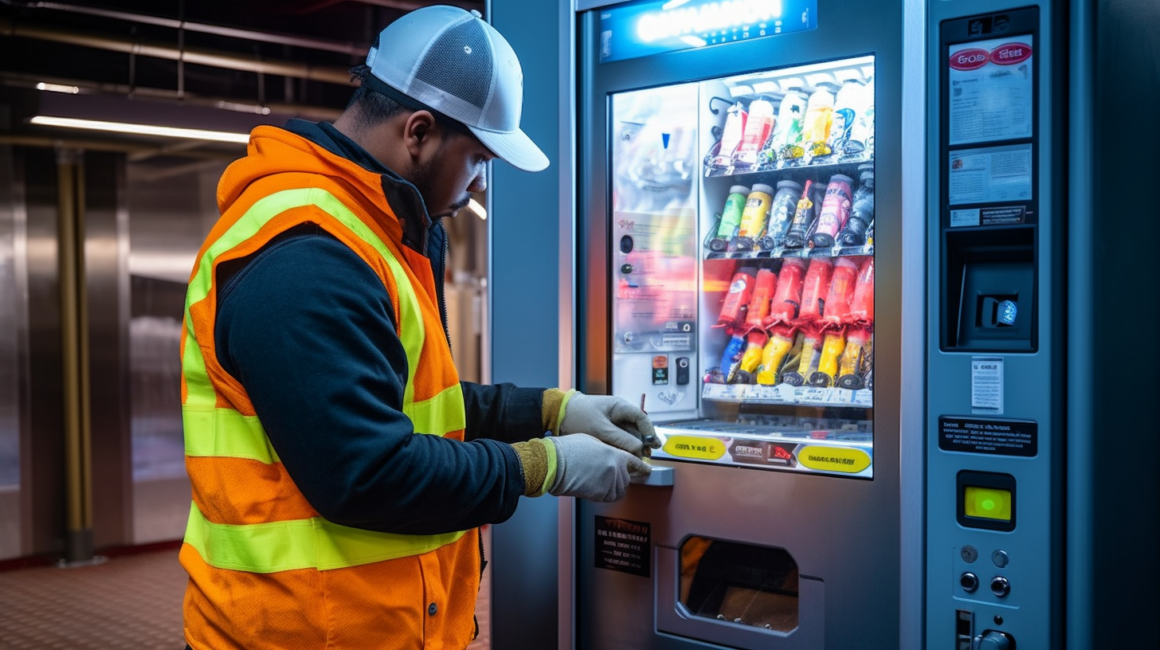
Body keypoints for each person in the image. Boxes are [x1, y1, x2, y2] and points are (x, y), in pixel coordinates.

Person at [178, 6, 659, 650]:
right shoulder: (307, 254)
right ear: (420, 132)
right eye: (478, 158)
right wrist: (543, 466)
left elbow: (401, 404)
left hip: (367, 625)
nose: (481, 181)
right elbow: (367, 471)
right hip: (298, 633)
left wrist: (551, 410)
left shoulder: (373, 229)